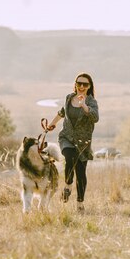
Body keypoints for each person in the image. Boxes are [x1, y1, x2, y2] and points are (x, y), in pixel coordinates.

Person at [47, 73, 99, 212]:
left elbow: (95, 117)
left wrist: (84, 106)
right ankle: (68, 184)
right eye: (79, 83)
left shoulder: (91, 102)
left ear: (89, 87)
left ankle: (80, 203)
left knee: (81, 173)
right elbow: (62, 111)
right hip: (67, 137)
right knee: (70, 158)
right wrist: (51, 124)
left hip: (83, 142)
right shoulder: (69, 98)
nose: (81, 86)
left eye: (85, 84)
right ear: (75, 84)